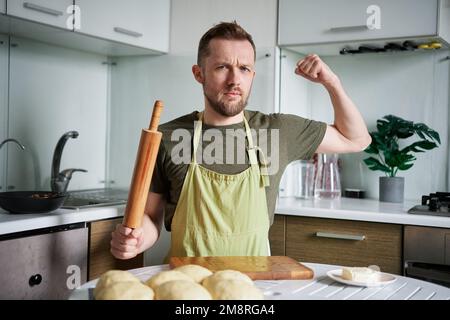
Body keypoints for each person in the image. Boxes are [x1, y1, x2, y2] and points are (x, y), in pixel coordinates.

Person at [110, 21, 371, 260]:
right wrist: (137, 240)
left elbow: (356, 139)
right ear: (199, 73)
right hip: (187, 287)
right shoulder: (167, 137)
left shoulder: (278, 130)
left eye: (244, 69)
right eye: (222, 67)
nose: (235, 80)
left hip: (254, 286)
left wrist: (331, 83)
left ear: (252, 75)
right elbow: (151, 217)